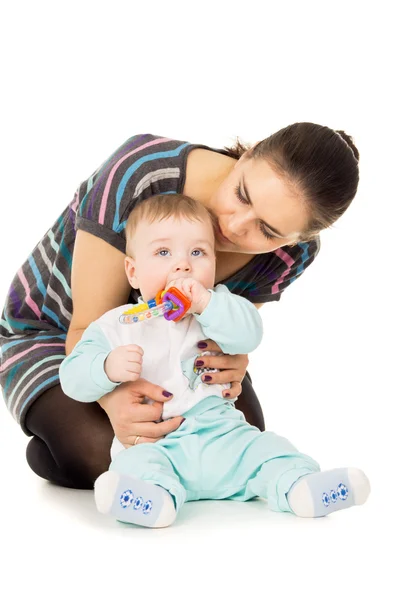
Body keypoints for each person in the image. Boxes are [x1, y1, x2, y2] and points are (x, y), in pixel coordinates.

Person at [0, 123, 360, 490]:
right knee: (96, 450)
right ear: (246, 155)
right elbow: (86, 328)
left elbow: (227, 330)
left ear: (301, 239)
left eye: (267, 231)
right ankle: (61, 449)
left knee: (244, 438)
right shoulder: (141, 172)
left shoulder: (292, 255)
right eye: (242, 195)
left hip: (172, 354)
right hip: (59, 335)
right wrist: (112, 397)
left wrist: (233, 359)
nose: (234, 226)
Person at [59, 194, 370, 527]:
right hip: (159, 443)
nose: (183, 265)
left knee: (269, 449)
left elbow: (250, 333)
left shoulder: (218, 310)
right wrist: (105, 368)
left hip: (227, 439)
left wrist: (206, 302)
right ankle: (154, 500)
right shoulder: (116, 325)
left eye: (198, 252)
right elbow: (72, 377)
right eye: (163, 252)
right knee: (136, 465)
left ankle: (301, 488)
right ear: (133, 272)